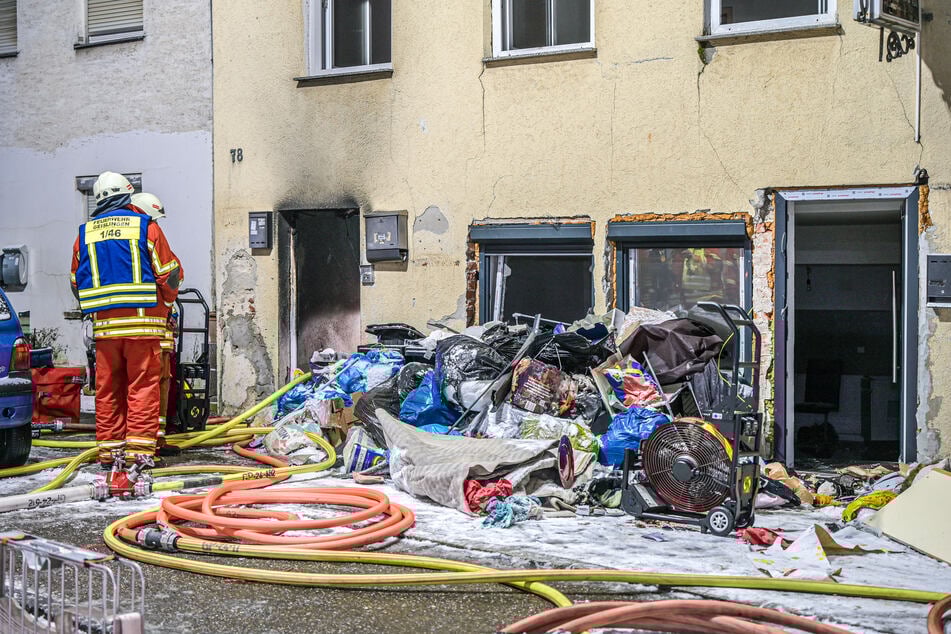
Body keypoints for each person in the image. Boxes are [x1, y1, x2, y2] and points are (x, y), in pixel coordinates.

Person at [71, 172, 181, 482]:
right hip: (143, 326)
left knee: (108, 390)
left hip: (105, 331)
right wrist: (168, 301)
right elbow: (167, 273)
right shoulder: (146, 227)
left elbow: (75, 282)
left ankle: (109, 453)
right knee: (142, 387)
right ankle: (139, 453)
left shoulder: (85, 233)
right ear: (128, 194)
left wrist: (96, 310)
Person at [131, 192, 183, 453]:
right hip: (150, 327)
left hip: (151, 327)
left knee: (156, 383)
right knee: (148, 385)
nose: (156, 225)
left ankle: (155, 436)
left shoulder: (149, 237)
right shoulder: (145, 238)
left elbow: (175, 272)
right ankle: (148, 439)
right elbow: (172, 274)